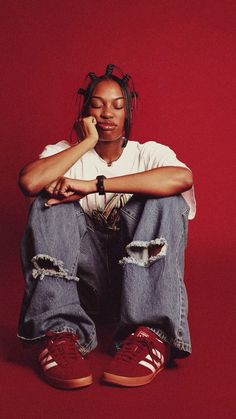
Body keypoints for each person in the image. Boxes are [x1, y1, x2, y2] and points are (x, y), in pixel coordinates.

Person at [17, 64, 196, 389]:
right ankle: (58, 330)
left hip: (141, 287)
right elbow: (29, 181)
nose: (108, 113)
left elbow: (182, 178)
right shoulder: (62, 153)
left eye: (117, 105)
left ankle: (150, 334)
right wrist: (86, 143)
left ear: (128, 111)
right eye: (98, 105)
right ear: (86, 112)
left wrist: (94, 185)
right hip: (81, 290)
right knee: (49, 199)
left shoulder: (149, 153)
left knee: (166, 198)